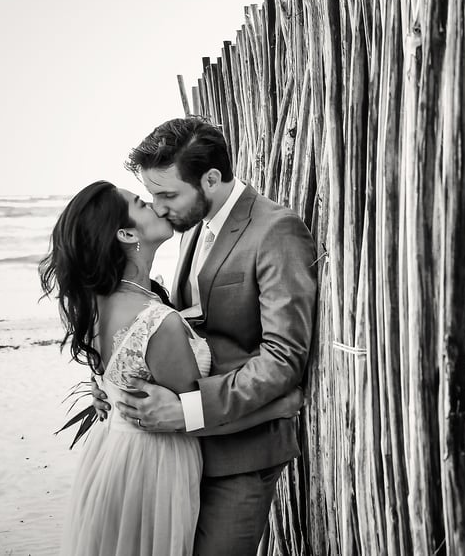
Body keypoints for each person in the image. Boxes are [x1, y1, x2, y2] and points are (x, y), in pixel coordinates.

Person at [92, 117, 318, 554]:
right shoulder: (191, 223)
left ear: (211, 179)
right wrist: (116, 383)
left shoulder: (275, 231)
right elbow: (185, 327)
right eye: (152, 194)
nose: (157, 208)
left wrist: (186, 411)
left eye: (167, 194)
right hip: (182, 455)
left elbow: (284, 357)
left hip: (241, 454)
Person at [40, 181, 302, 556]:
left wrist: (105, 391)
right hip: (153, 468)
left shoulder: (103, 302)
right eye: (142, 203)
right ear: (127, 233)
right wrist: (278, 407)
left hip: (112, 459)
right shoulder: (155, 322)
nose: (156, 207)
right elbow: (192, 418)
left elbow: (118, 370)